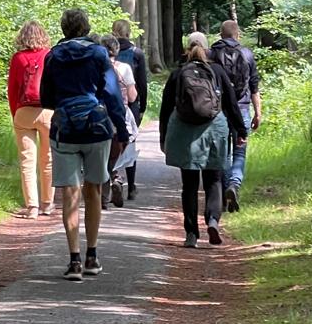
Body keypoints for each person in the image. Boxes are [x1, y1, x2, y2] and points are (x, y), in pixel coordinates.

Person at [38, 8, 128, 280]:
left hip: (65, 129)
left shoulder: (53, 56)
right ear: (87, 28)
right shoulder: (99, 54)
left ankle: (73, 260)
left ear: (63, 29)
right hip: (95, 129)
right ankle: (92, 256)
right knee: (93, 191)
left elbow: (46, 98)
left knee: (69, 193)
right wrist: (121, 128)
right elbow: (111, 93)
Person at [158, 32, 244, 247]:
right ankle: (213, 220)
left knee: (189, 184)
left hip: (185, 131)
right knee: (214, 180)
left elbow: (166, 108)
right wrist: (241, 130)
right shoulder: (217, 71)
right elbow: (232, 105)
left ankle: (191, 234)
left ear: (187, 48)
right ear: (207, 49)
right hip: (214, 129)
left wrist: (164, 137)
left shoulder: (178, 74)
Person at [207, 19, 262, 213]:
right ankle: (235, 185)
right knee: (239, 152)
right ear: (237, 34)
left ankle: (222, 194)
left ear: (220, 34)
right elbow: (254, 86)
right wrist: (258, 112)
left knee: (223, 153)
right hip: (243, 109)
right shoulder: (247, 54)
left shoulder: (212, 53)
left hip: (219, 112)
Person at [6, 20, 54, 217]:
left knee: (27, 160)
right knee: (48, 160)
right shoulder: (49, 56)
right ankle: (47, 203)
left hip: (24, 112)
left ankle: (32, 207)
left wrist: (15, 113)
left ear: (22, 37)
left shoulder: (18, 58)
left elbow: (12, 90)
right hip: (47, 111)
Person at [111, 19, 149, 199]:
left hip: (111, 103)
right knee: (130, 143)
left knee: (111, 143)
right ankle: (132, 186)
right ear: (128, 33)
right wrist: (142, 107)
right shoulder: (137, 53)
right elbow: (142, 83)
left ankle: (113, 179)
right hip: (131, 104)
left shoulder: (107, 53)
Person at [100, 34, 138, 208]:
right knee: (119, 152)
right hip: (121, 114)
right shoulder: (125, 68)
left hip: (100, 115)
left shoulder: (97, 67)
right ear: (116, 50)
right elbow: (131, 96)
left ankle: (103, 197)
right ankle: (117, 177)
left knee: (103, 155)